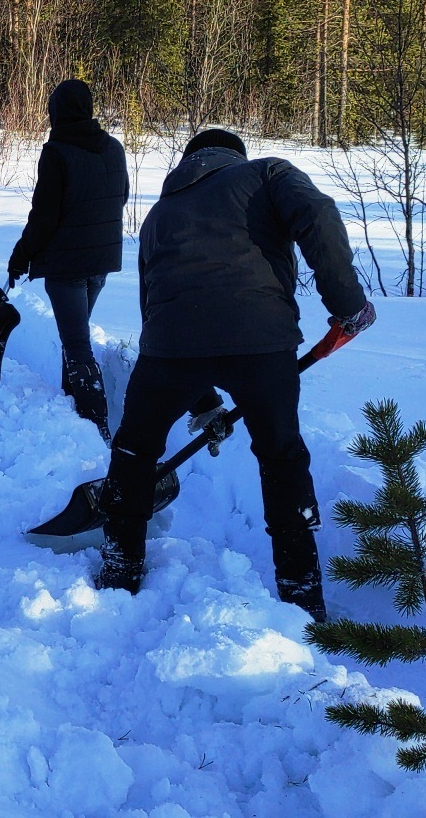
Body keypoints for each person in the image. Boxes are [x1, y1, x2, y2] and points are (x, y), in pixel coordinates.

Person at [92, 128, 373, 622]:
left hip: (168, 352)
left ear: (189, 163)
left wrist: (201, 401)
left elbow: (153, 306)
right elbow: (318, 214)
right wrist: (348, 305)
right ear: (232, 156)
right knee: (281, 457)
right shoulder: (266, 173)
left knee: (134, 449)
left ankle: (120, 569)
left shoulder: (158, 216)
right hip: (261, 342)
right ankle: (302, 595)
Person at [6, 79, 129, 438]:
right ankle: (71, 404)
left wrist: (20, 256)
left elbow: (44, 216)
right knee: (74, 336)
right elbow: (119, 198)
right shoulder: (114, 149)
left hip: (68, 267)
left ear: (57, 112)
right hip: (101, 261)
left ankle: (97, 427)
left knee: (76, 344)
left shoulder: (57, 152)